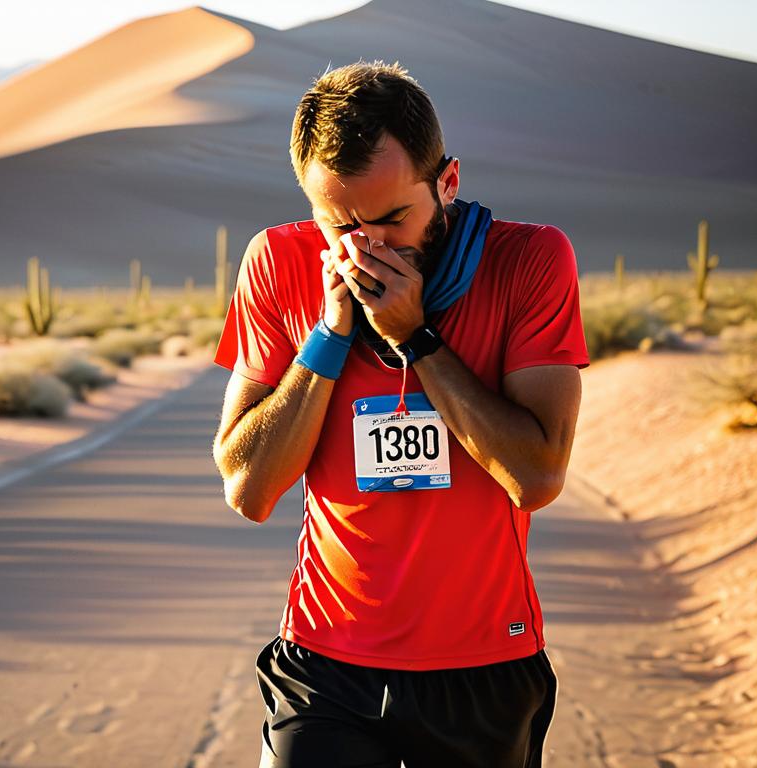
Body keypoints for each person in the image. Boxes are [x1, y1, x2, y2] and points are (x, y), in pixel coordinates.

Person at [211, 60, 589, 768]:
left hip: (481, 668)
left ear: (447, 182)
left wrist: (414, 338)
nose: (366, 248)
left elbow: (536, 476)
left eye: (393, 218)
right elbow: (248, 488)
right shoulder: (276, 261)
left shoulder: (531, 260)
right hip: (324, 663)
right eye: (339, 224)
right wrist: (327, 337)